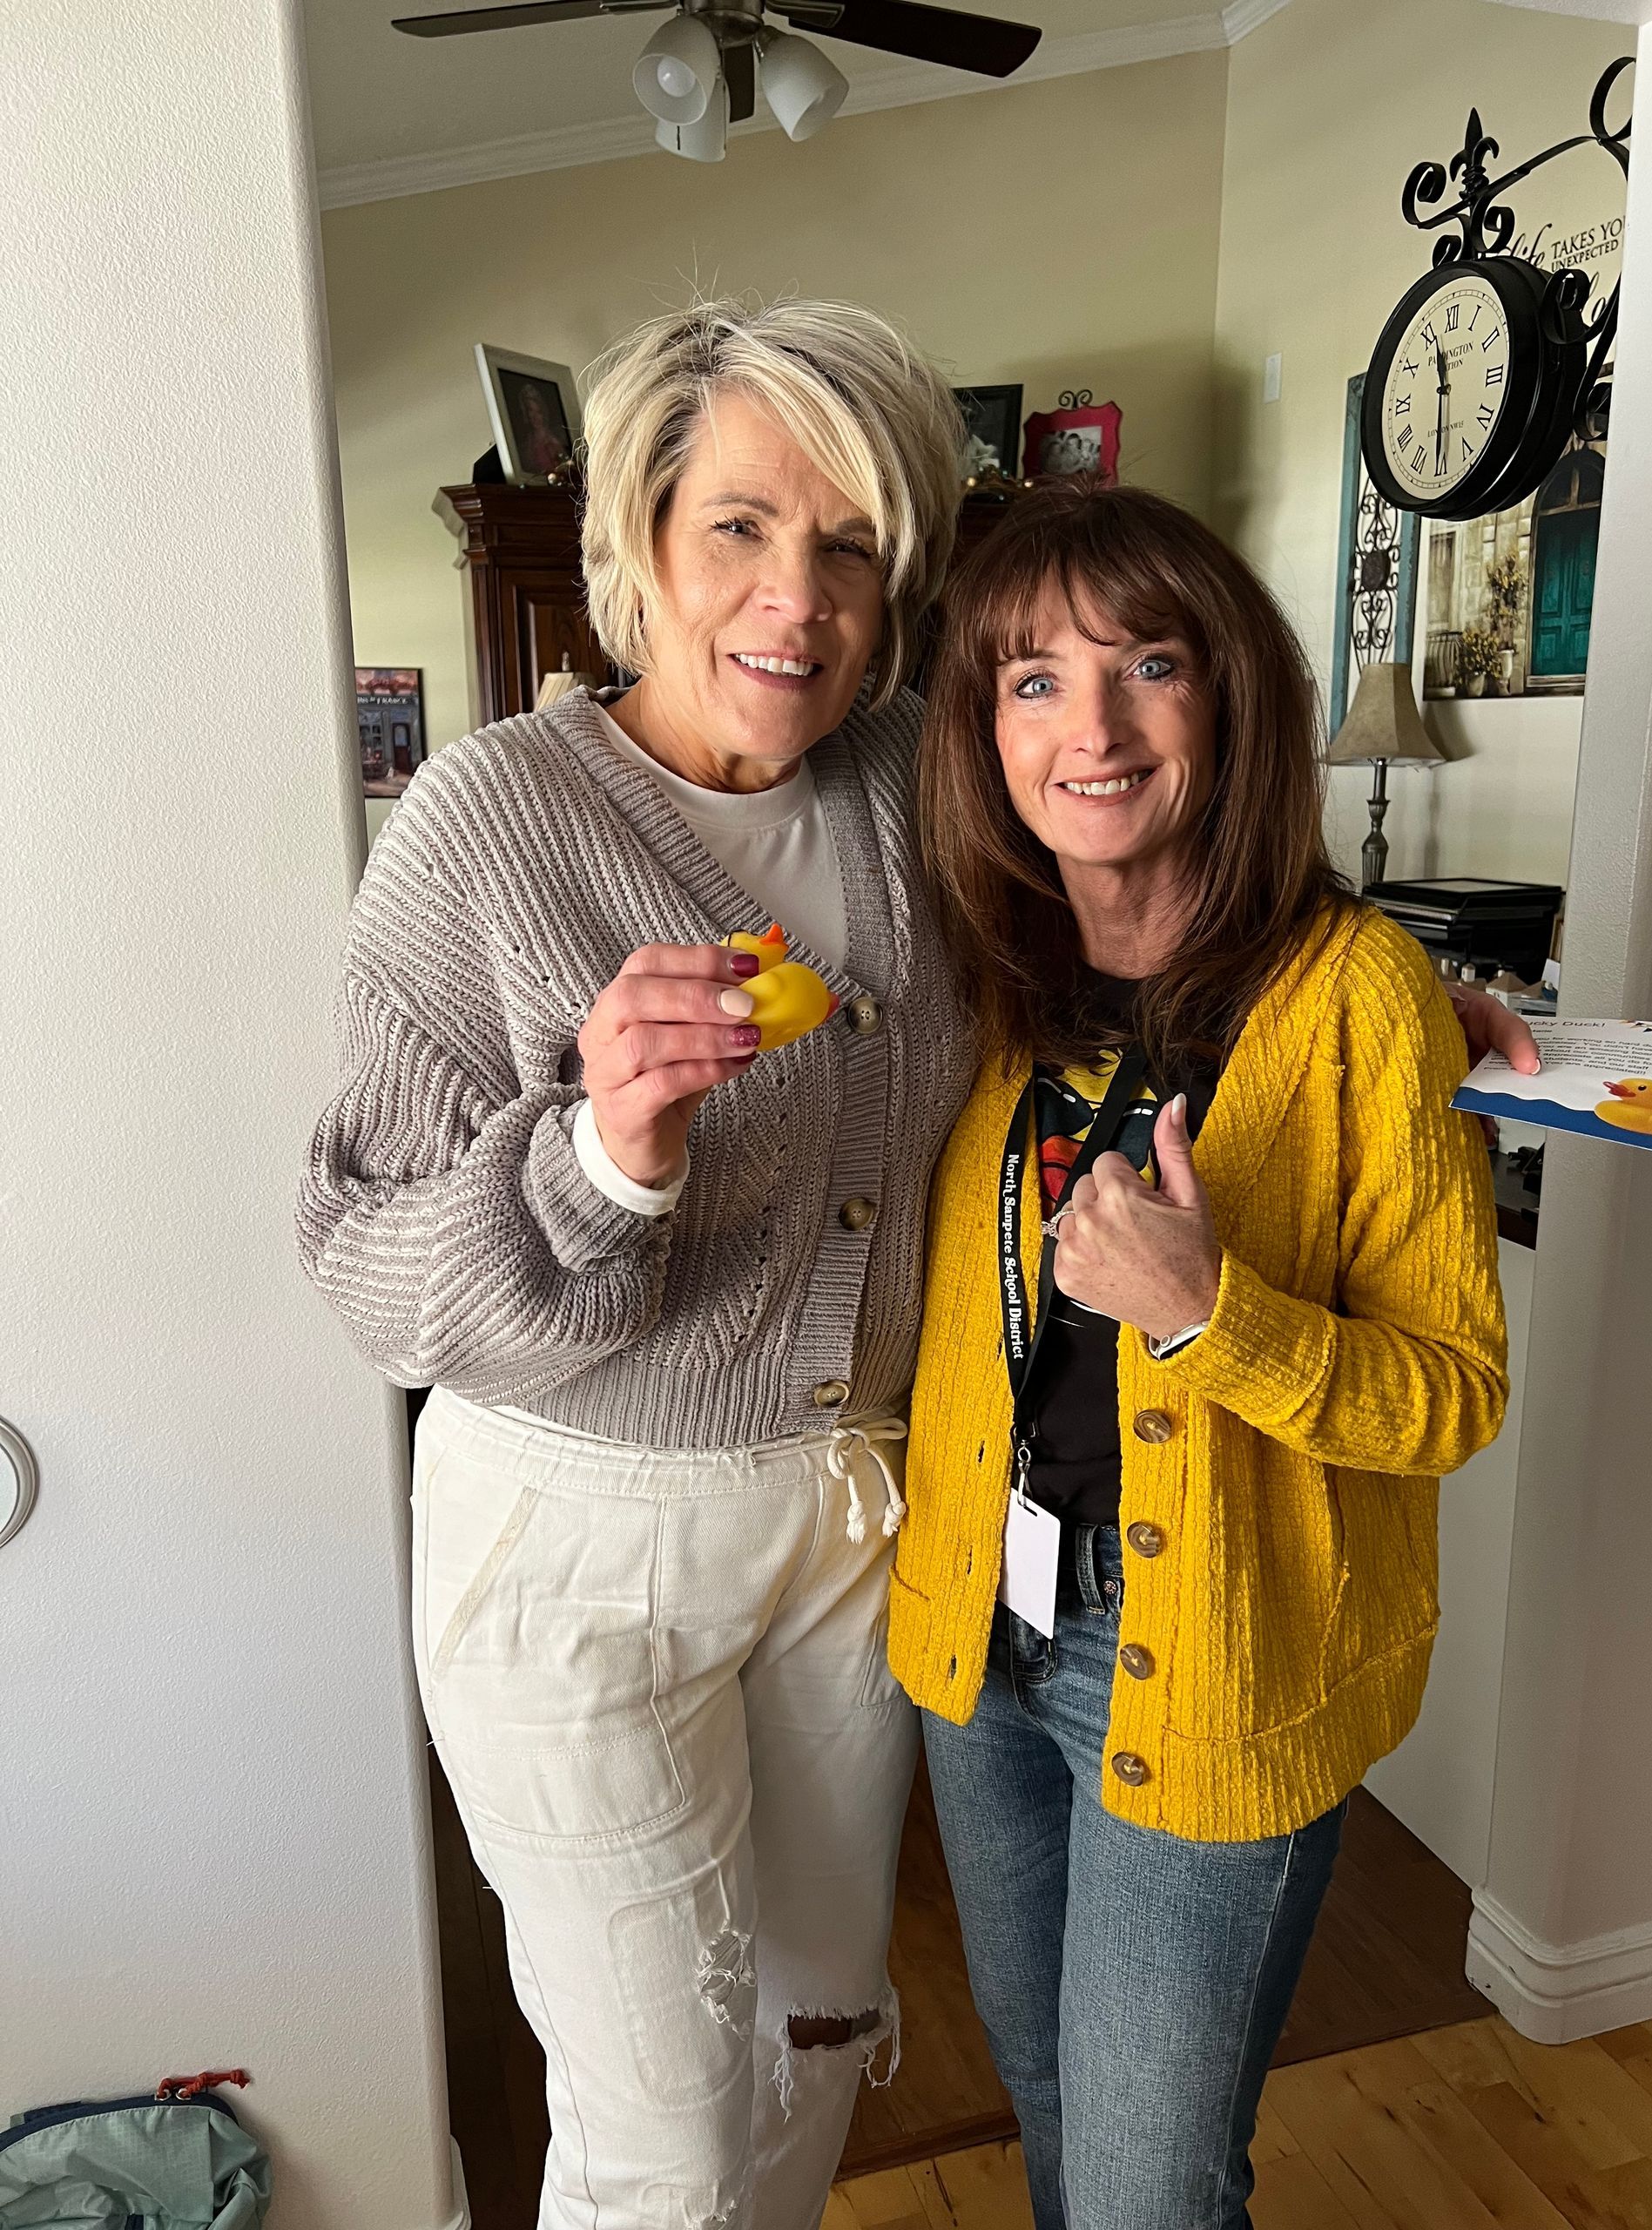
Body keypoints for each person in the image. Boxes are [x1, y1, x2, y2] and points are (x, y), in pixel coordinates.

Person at [298, 295, 1534, 2229]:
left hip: (867, 1529)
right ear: (639, 532)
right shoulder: (488, 825)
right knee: (662, 2128)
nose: (795, 596)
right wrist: (600, 1155)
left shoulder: (913, 788)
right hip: (582, 1527)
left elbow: (1149, 894)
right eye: (739, 528)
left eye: (854, 543)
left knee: (816, 2045)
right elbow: (362, 1256)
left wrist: (1394, 995)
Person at [893, 479, 1511, 2230]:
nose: (1087, 726)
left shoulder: (1363, 994)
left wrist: (1210, 1313)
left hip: (1208, 1658)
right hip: (978, 1636)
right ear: (983, 729)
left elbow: (1452, 1389)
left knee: (1153, 2192)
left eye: (1147, 663)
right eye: (1030, 679)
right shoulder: (981, 977)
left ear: (1229, 695)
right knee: (1054, 2115)